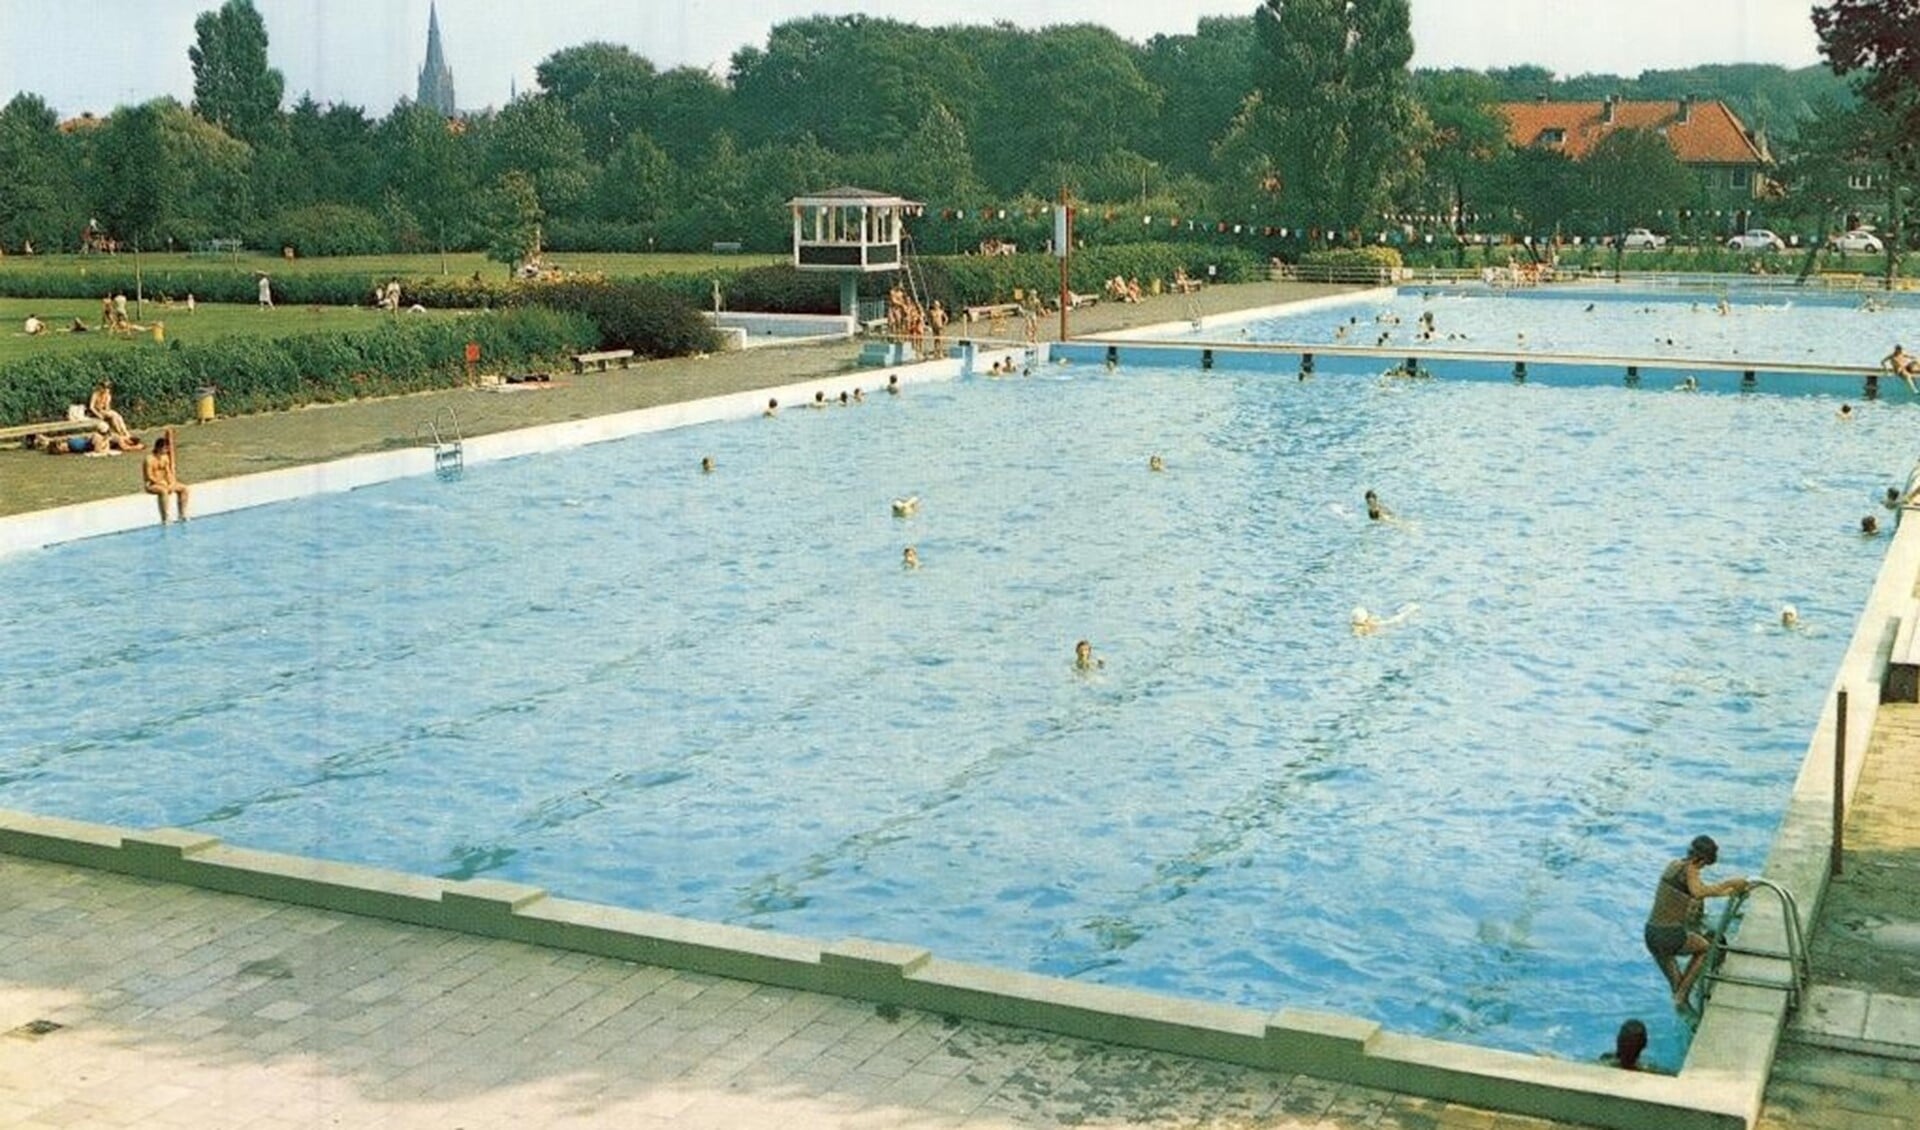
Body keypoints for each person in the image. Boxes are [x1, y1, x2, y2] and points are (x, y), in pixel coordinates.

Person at [1644, 834, 1750, 1009]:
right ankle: (1682, 997)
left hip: (1651, 934)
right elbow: (1699, 892)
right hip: (1670, 934)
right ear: (1702, 859)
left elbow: (1699, 890)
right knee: (1704, 949)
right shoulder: (1691, 868)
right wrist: (1731, 882)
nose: (1702, 869)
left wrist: (1728, 893)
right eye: (1705, 864)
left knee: (1678, 987)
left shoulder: (1674, 865)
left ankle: (1685, 1010)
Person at [143, 429, 190, 524]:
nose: (167, 450)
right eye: (165, 448)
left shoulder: (165, 457)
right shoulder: (149, 459)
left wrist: (171, 482)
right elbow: (149, 476)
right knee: (163, 491)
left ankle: (182, 514)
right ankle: (165, 518)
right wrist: (160, 483)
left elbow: (168, 472)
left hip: (164, 482)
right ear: (159, 448)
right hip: (152, 484)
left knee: (184, 489)